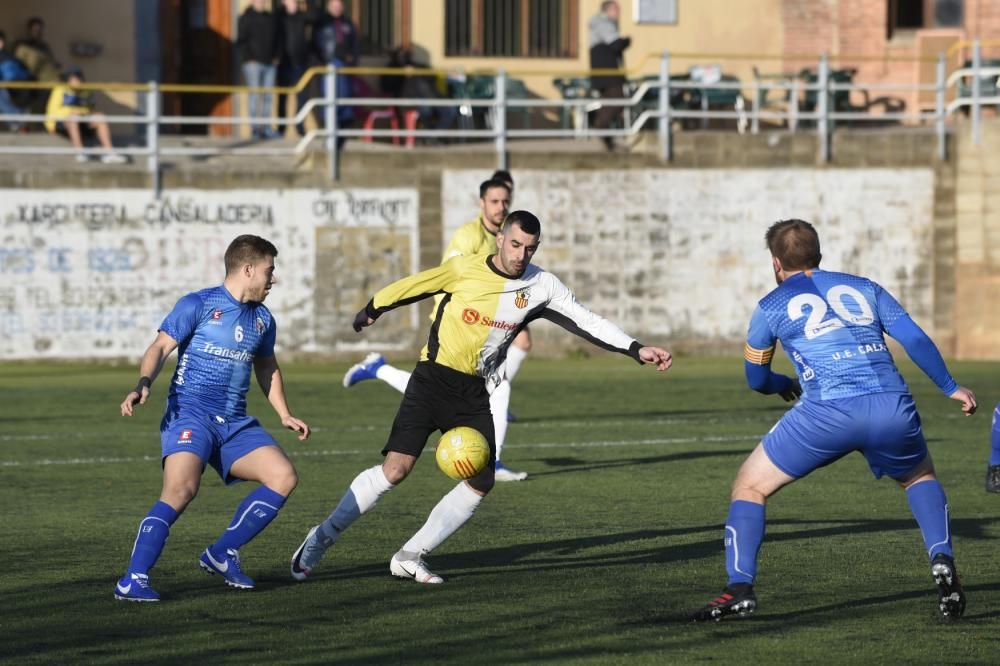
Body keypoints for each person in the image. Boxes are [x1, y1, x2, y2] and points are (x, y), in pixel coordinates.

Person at [291, 210, 672, 584]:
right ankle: (321, 536)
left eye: (531, 248)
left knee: (482, 480)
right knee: (396, 470)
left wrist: (634, 348)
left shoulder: (543, 286)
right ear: (501, 239)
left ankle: (410, 555)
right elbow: (416, 284)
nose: (521, 255)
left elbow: (585, 319)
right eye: (516, 244)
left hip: (474, 391)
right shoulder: (465, 268)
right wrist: (372, 309)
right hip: (432, 380)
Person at [690, 219, 977, 622]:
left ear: (776, 263)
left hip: (826, 412)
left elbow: (756, 379)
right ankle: (942, 559)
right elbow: (914, 339)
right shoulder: (866, 287)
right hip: (891, 406)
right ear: (819, 254)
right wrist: (950, 386)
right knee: (918, 478)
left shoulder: (770, 307)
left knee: (750, 486)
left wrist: (783, 383)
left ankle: (739, 588)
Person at [114, 235, 311, 602]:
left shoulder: (263, 319)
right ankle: (133, 579)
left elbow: (267, 366)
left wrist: (284, 413)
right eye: (269, 271)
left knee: (283, 477)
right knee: (181, 491)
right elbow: (160, 346)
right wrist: (143, 384)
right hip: (191, 413)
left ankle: (222, 553)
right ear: (248, 269)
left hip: (234, 422)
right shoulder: (199, 304)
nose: (273, 280)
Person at [343, 177, 528, 481]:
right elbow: (444, 278)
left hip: (482, 329)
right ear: (481, 203)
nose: (501, 207)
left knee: (470, 388)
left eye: (505, 201)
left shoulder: (505, 241)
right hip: (455, 324)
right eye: (494, 202)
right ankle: (494, 461)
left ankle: (378, 369)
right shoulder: (468, 238)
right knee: (476, 387)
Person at [44, 66, 128, 163]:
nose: (76, 81)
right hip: (64, 123)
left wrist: (82, 113)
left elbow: (88, 108)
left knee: (100, 117)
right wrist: (50, 126)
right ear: (67, 80)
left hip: (82, 121)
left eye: (78, 78)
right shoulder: (60, 90)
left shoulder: (86, 91)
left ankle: (109, 153)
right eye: (73, 79)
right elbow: (52, 110)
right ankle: (80, 152)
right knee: (73, 117)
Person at [588, 1, 630, 152]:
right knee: (618, 100)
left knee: (611, 103)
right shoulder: (603, 23)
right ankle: (595, 120)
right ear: (607, 10)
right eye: (616, 8)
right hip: (607, 73)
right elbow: (615, 44)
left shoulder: (604, 23)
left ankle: (608, 142)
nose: (619, 11)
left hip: (606, 72)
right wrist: (626, 41)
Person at [237, 0, 282, 139]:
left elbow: (279, 39)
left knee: (268, 96)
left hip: (270, 64)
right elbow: (241, 41)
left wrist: (277, 57)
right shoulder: (246, 17)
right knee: (255, 95)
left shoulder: (271, 18)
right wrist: (249, 58)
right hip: (253, 64)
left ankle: (266, 128)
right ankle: (255, 129)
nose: (262, 2)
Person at [312, 0, 358, 132]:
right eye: (334, 6)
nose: (337, 9)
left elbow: (354, 45)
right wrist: (321, 61)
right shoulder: (322, 23)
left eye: (339, 6)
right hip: (327, 65)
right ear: (328, 7)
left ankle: (343, 126)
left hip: (345, 66)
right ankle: (327, 126)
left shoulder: (348, 23)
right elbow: (315, 43)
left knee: (344, 95)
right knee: (328, 96)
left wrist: (353, 60)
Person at [277, 0, 310, 137]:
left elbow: (316, 15)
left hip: (300, 63)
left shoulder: (303, 16)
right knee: (282, 97)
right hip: (284, 63)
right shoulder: (278, 16)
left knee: (302, 97)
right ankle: (281, 128)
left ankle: (300, 126)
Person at [0, 31, 30, 132]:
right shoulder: (10, 56)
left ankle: (17, 123)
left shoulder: (7, 57)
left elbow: (22, 72)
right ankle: (18, 122)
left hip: (13, 88)